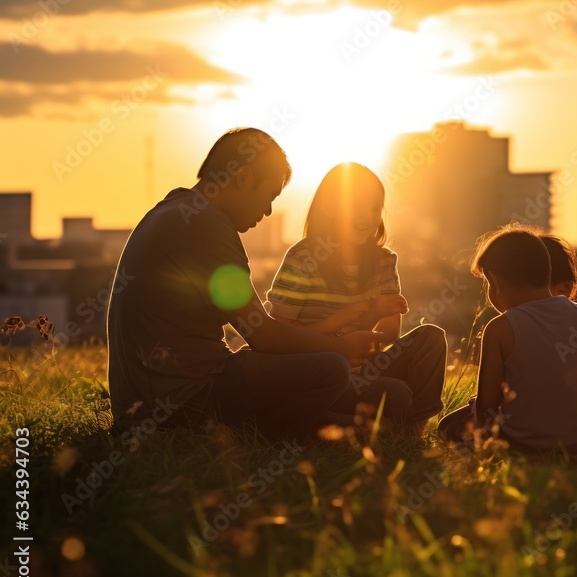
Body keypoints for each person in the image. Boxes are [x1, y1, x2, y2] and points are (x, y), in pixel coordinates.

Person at [107, 128, 388, 441]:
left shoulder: (176, 209)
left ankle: (323, 423)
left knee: (379, 393)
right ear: (242, 178)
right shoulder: (206, 225)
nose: (267, 210)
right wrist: (341, 347)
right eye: (268, 195)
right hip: (187, 403)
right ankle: (275, 436)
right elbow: (261, 333)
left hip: (148, 405)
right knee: (332, 368)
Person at [265, 162, 446, 434]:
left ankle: (412, 431)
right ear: (329, 208)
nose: (368, 216)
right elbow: (280, 337)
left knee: (430, 338)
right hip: (320, 371)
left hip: (365, 371)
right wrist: (339, 333)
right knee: (395, 392)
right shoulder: (303, 258)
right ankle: (341, 420)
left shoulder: (384, 261)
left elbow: (388, 337)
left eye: (375, 208)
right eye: (357, 206)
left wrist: (373, 316)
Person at [438, 226, 577, 454]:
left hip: (526, 446)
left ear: (495, 283)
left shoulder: (499, 328)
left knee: (449, 425)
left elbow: (488, 402)